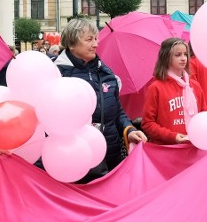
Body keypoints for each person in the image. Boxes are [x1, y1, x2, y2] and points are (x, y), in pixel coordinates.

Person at [54, 18, 147, 178]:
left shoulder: (107, 74)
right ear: (72, 44)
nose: (96, 44)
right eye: (89, 39)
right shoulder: (57, 75)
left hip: (111, 156)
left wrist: (129, 129)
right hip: (75, 159)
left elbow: (117, 111)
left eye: (96, 39)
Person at [141, 38, 206, 144]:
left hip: (192, 147)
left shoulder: (195, 86)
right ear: (166, 57)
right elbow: (147, 123)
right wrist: (172, 136)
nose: (183, 58)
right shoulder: (156, 87)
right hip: (166, 150)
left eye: (185, 54)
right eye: (178, 55)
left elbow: (204, 116)